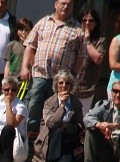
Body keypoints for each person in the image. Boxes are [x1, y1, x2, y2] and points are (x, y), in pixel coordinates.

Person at [21, 0, 86, 141]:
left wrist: (72, 76)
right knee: (33, 106)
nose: (66, 7)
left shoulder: (77, 29)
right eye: (63, 3)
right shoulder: (43, 22)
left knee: (55, 110)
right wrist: (25, 67)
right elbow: (30, 46)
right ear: (56, 4)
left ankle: (47, 139)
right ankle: (30, 139)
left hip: (60, 81)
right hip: (39, 74)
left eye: (69, 4)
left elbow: (81, 56)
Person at [34, 70, 83, 162]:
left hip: (70, 137)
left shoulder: (76, 103)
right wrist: (62, 106)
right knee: (60, 133)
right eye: (61, 83)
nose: (64, 86)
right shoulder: (49, 102)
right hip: (51, 139)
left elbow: (80, 125)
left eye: (67, 83)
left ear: (71, 85)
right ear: (56, 85)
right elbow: (51, 124)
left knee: (66, 139)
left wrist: (67, 126)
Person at [73, 8, 104, 116]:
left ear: (96, 23)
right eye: (84, 20)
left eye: (91, 21)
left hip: (86, 88)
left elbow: (98, 59)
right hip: (70, 84)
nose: (87, 23)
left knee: (82, 118)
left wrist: (87, 40)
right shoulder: (74, 36)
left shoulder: (100, 40)